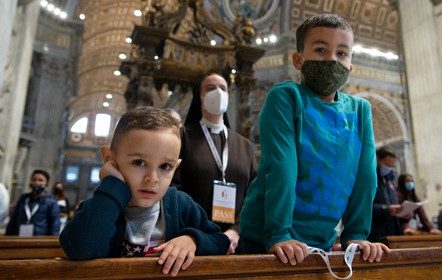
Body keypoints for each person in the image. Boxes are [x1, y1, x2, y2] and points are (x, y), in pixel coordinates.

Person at [238, 13, 389, 265]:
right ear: (299, 59)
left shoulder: (360, 110)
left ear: (351, 64)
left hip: (321, 242)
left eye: (342, 53)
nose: (331, 59)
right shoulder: (286, 97)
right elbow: (282, 167)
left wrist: (356, 234)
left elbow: (366, 177)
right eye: (320, 49)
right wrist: (278, 233)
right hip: (266, 237)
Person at [59, 106, 229, 276]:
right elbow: (78, 249)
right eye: (139, 163)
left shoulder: (181, 205)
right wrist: (113, 185)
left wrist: (193, 240)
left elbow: (221, 242)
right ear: (109, 160)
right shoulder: (101, 206)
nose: (152, 178)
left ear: (175, 167)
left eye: (165, 166)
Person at [172, 73, 257, 255]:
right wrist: (204, 234)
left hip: (238, 242)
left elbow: (254, 194)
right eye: (210, 88)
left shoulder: (244, 145)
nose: (218, 92)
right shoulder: (183, 138)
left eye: (223, 88)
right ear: (200, 97)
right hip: (194, 240)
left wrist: (235, 231)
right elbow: (173, 188)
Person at [368, 146, 406, 243]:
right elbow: (364, 207)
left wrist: (402, 212)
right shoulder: (370, 179)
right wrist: (386, 209)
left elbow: (393, 201)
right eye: (386, 165)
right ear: (378, 160)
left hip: (393, 232)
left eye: (391, 166)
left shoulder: (390, 180)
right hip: (376, 234)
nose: (389, 169)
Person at [6, 170, 61, 236]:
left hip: (39, 241)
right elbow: (13, 220)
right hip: (19, 238)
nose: (36, 182)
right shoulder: (23, 199)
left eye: (40, 180)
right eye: (34, 180)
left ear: (47, 183)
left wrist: (51, 242)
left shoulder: (52, 202)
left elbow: (55, 224)